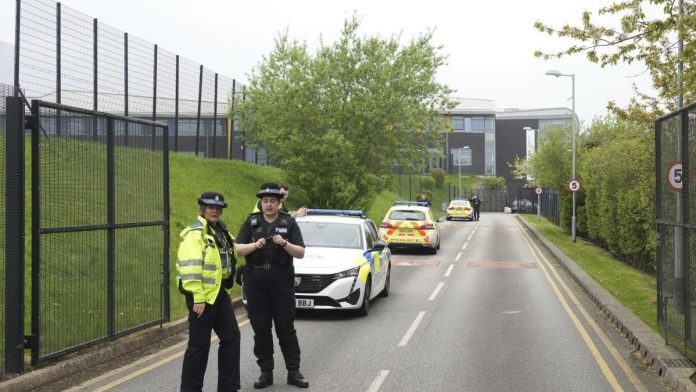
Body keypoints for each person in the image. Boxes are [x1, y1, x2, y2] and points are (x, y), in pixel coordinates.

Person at [236, 183, 308, 389]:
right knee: (261, 329)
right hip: (256, 279)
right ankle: (266, 372)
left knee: (286, 327)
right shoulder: (251, 223)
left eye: (273, 201)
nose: (268, 205)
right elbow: (238, 249)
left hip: (281, 279)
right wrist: (254, 245)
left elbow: (301, 252)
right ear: (261, 203)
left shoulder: (289, 223)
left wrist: (285, 243)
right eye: (265, 201)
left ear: (279, 203)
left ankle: (293, 372)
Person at [177, 191, 240, 392]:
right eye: (210, 207)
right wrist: (198, 297)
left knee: (231, 338)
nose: (214, 211)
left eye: (218, 208)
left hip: (219, 295)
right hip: (201, 297)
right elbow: (190, 268)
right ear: (202, 209)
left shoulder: (220, 232)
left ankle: (228, 388)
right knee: (199, 347)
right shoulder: (195, 234)